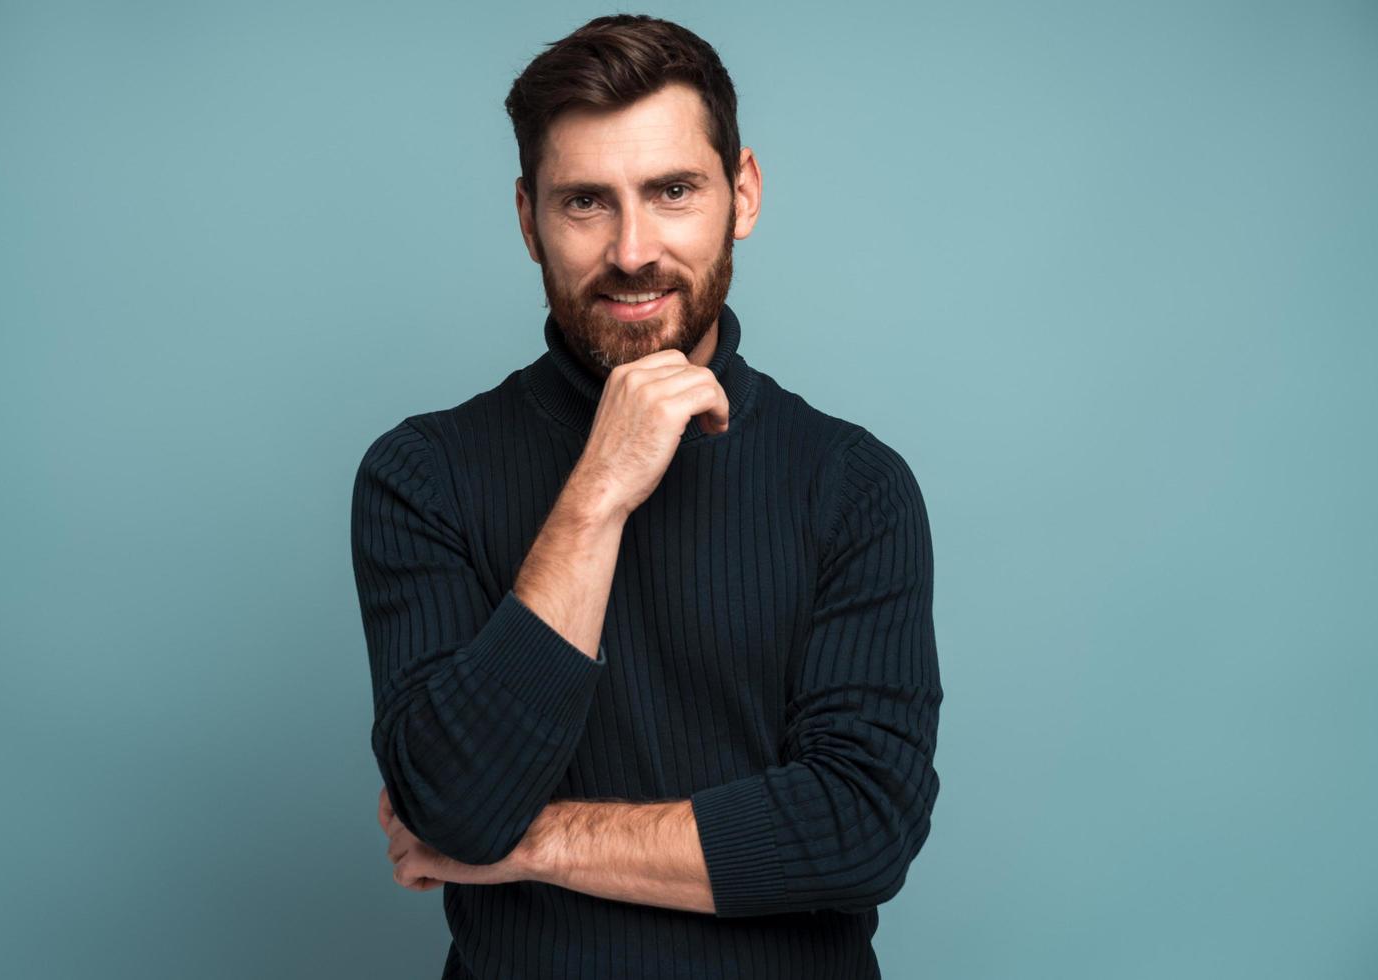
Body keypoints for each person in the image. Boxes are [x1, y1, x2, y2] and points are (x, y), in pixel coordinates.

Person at [350, 14, 942, 979]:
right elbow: (453, 803)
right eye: (586, 201)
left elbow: (860, 827)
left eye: (672, 191)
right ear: (526, 216)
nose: (632, 250)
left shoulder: (854, 486)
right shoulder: (424, 475)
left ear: (741, 194)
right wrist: (598, 490)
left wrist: (528, 844)